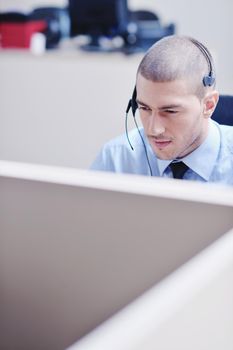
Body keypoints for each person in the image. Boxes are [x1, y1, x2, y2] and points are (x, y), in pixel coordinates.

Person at [91, 35, 233, 184]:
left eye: (170, 111)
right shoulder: (116, 159)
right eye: (144, 108)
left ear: (208, 105)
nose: (154, 130)